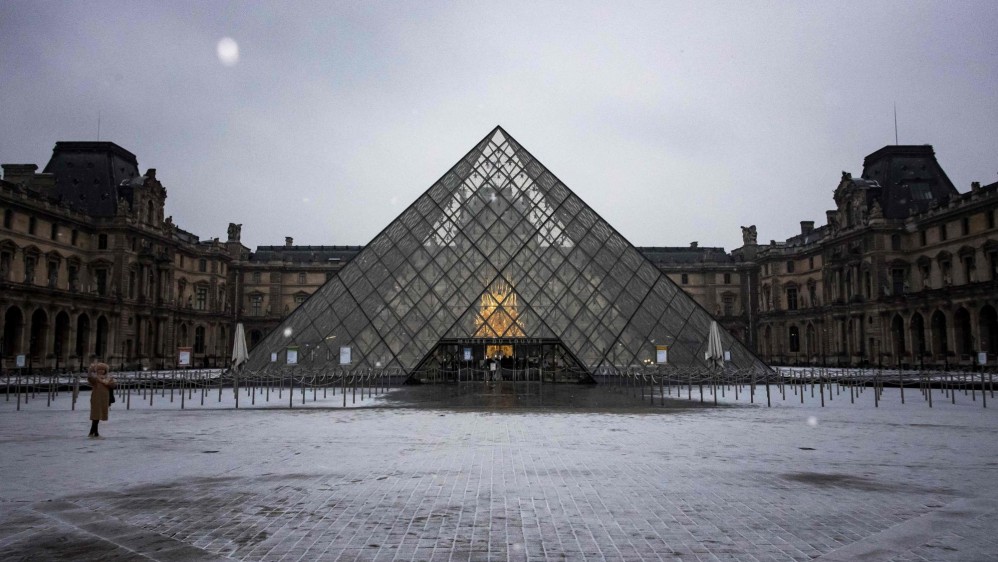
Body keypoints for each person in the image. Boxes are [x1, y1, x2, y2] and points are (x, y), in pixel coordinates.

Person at [87, 361, 115, 438]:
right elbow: (90, 378)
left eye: (103, 370)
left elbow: (113, 385)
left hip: (104, 399)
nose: (101, 371)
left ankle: (92, 432)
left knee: (98, 416)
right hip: (96, 399)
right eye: (99, 369)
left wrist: (110, 383)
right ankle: (95, 432)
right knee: (95, 415)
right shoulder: (95, 379)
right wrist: (90, 371)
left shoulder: (109, 378)